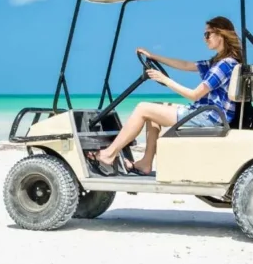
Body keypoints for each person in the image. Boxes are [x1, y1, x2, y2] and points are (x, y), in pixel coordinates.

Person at [87, 16, 243, 176]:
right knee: (154, 108)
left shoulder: (224, 65)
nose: (205, 39)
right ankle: (145, 163)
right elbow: (186, 65)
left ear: (221, 34)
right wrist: (154, 56)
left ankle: (109, 154)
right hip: (207, 113)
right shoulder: (219, 62)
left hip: (207, 117)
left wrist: (164, 80)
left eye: (207, 34)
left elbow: (195, 95)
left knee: (142, 108)